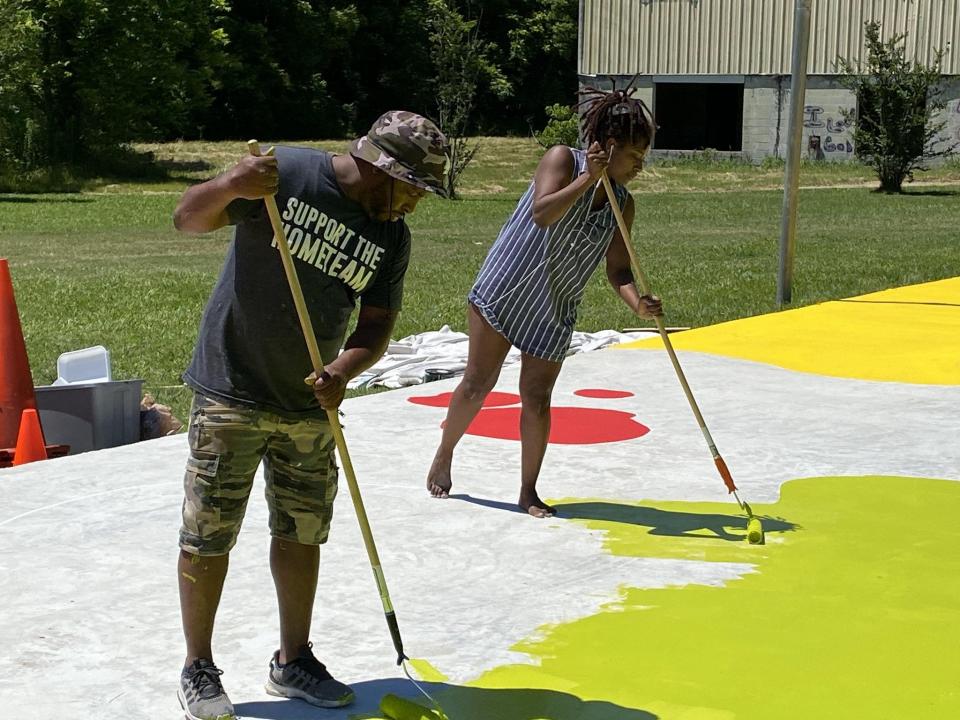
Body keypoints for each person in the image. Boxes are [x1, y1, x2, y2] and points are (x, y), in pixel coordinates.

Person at [172, 111, 449, 720]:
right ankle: (198, 665)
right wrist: (230, 185)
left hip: (308, 405)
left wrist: (343, 373)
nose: (412, 205)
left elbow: (375, 326)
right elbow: (187, 217)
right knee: (208, 535)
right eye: (410, 189)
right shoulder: (285, 173)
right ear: (380, 169)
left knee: (301, 534)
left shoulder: (390, 237)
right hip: (231, 391)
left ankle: (293, 659)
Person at [425, 87, 662, 518]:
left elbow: (618, 271)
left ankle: (528, 490)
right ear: (609, 148)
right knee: (479, 382)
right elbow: (542, 212)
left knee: (537, 397)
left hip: (554, 303)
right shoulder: (562, 160)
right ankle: (444, 453)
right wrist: (589, 177)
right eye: (635, 156)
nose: (640, 167)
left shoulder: (622, 205)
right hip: (508, 285)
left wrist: (637, 305)